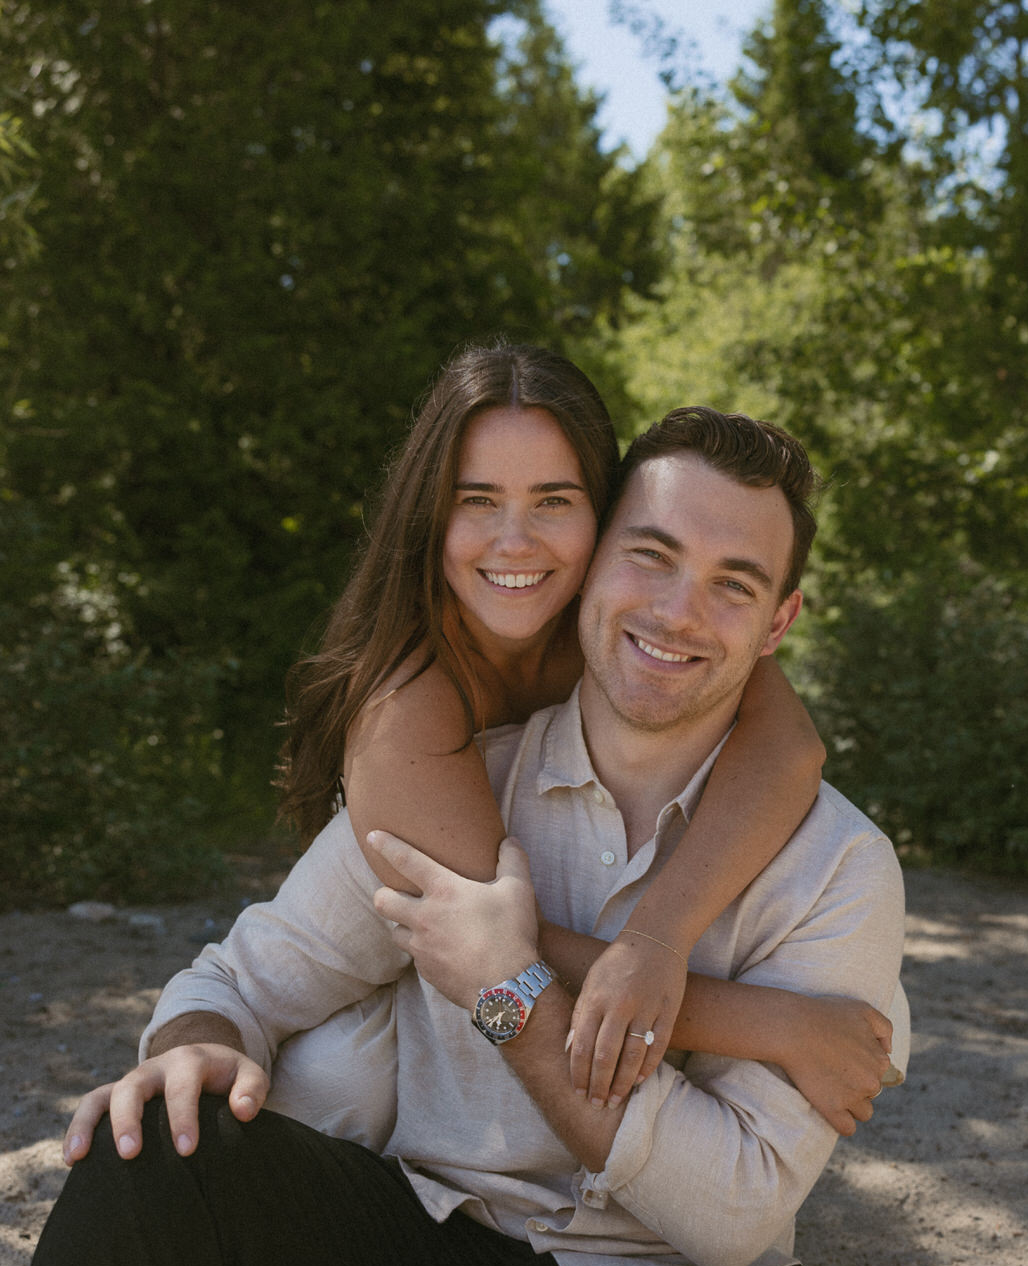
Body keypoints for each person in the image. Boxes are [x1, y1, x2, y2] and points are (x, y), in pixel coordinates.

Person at [0, 401, 907, 1266]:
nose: (677, 610)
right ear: (590, 571)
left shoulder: (838, 867)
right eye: (651, 554)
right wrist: (194, 1043)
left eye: (733, 582)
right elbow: (239, 977)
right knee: (151, 1150)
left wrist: (504, 990)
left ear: (780, 620)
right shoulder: (451, 783)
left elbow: (731, 1209)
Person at [276, 341, 885, 1126]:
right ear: (430, 512)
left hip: (534, 995)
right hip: (410, 970)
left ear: (606, 517)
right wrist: (775, 1024)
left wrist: (658, 938)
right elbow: (492, 949)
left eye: (554, 501)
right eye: (477, 499)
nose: (516, 541)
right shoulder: (409, 705)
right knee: (337, 1076)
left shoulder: (627, 625)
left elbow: (789, 750)